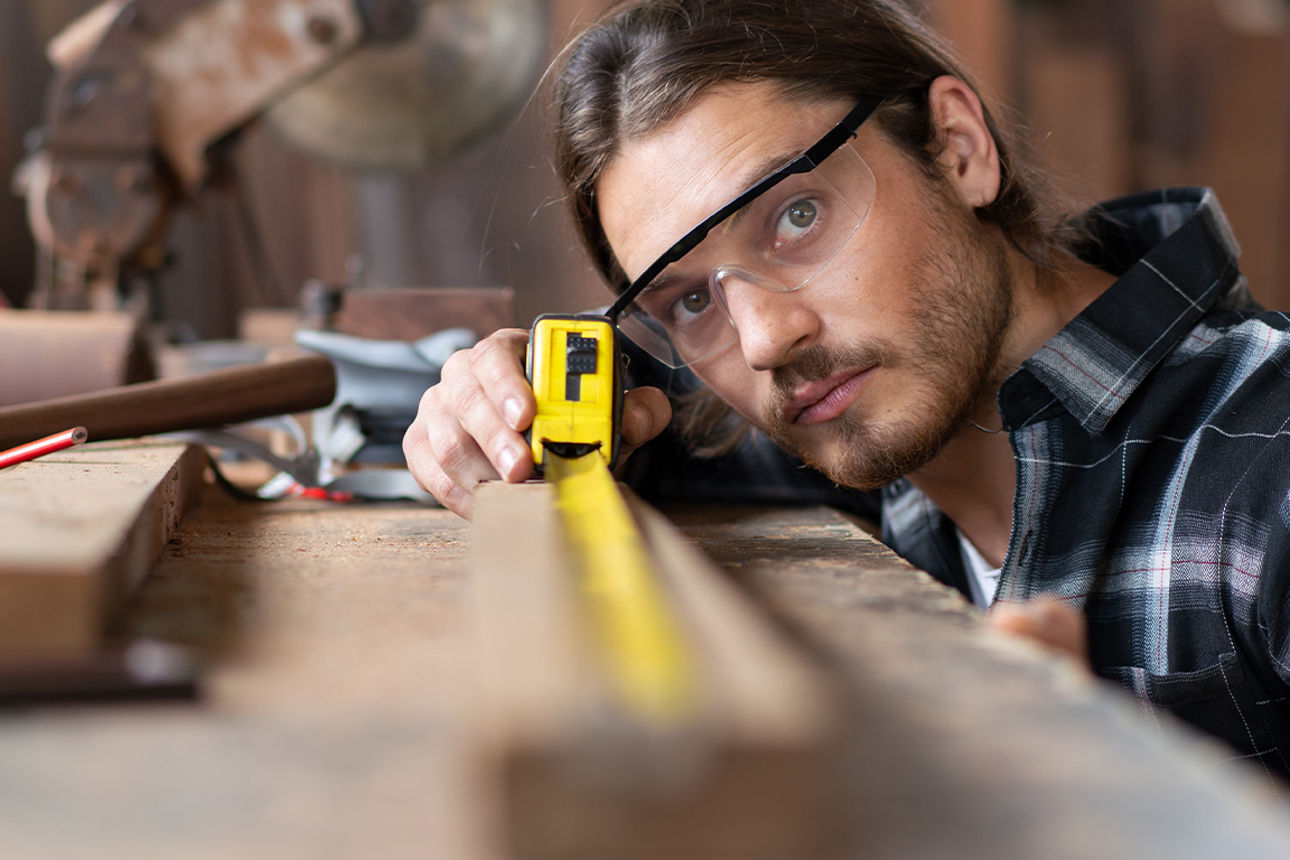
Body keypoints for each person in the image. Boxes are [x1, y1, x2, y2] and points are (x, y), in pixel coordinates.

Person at [404, 0, 1290, 782]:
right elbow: (662, 435)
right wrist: (513, 404)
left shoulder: (1268, 478)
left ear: (958, 148)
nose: (764, 341)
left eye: (797, 217)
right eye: (691, 301)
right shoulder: (867, 425)